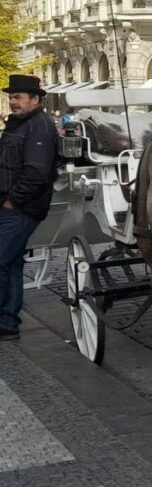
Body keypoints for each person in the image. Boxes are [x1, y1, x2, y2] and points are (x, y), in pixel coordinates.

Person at [0, 75, 59, 340]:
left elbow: (36, 172)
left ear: (35, 100)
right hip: (12, 205)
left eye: (18, 97)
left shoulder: (38, 125)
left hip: (21, 208)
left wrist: (12, 201)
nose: (13, 101)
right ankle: (8, 323)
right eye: (11, 97)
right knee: (10, 263)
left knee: (1, 261)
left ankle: (5, 320)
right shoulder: (20, 123)